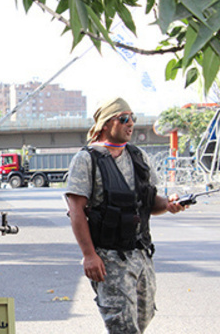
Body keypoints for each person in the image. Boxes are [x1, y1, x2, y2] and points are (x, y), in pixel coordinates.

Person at [65, 97, 188, 333]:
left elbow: (151, 203)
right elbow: (76, 210)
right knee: (122, 325)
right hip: (109, 258)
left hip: (141, 254)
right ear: (105, 124)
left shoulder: (139, 157)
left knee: (143, 317)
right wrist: (89, 255)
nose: (130, 123)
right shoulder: (87, 159)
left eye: (133, 118)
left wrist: (170, 204)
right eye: (123, 118)